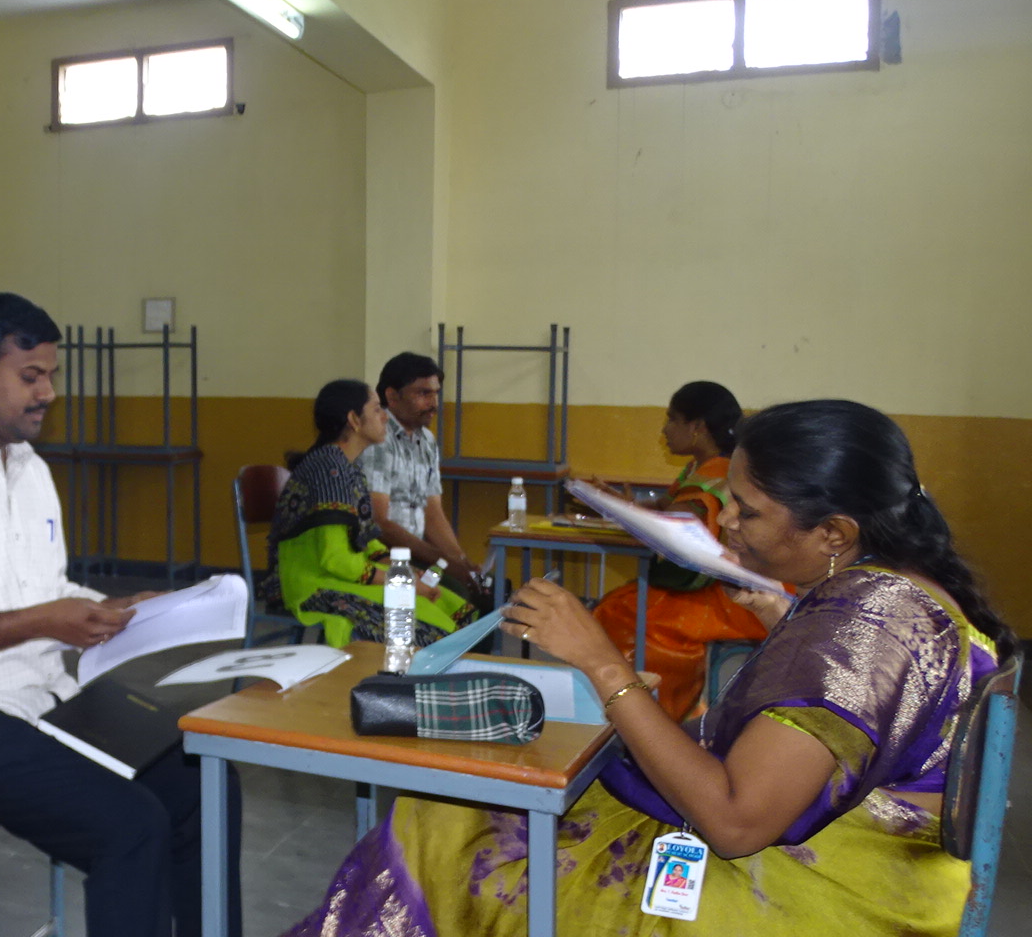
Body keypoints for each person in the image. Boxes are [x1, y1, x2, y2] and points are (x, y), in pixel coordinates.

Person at [286, 399, 1018, 936]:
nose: (726, 522)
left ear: (833, 532)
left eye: (747, 511)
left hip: (807, 902)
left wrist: (602, 664)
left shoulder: (862, 627)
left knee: (444, 822)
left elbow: (734, 823)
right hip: (872, 873)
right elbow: (869, 702)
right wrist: (788, 622)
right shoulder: (901, 593)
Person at [0, 292, 241, 937]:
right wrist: (44, 621)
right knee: (130, 826)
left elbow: (44, 587)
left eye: (51, 376)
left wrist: (106, 608)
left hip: (39, 699)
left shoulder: (28, 468)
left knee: (204, 784)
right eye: (30, 376)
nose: (49, 393)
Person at [589, 381, 769, 719]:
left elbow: (676, 524)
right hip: (706, 585)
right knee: (617, 603)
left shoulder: (718, 473)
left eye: (672, 419)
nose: (665, 429)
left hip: (727, 592)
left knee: (624, 615)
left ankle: (655, 712)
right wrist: (622, 503)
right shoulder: (698, 467)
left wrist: (626, 512)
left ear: (697, 427)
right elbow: (666, 507)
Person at [267, 380, 475, 649]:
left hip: (340, 575)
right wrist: (403, 583)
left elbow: (365, 540)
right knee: (433, 630)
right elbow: (336, 559)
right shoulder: (330, 472)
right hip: (314, 585)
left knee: (451, 604)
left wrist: (405, 572)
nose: (385, 417)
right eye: (377, 409)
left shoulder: (345, 466)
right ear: (354, 420)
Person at [358, 353, 482, 589]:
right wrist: (442, 561)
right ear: (392, 396)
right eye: (423, 394)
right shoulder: (378, 440)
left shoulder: (426, 440)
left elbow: (432, 514)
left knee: (482, 587)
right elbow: (379, 523)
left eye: (436, 393)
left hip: (418, 554)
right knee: (457, 592)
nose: (433, 403)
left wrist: (461, 561)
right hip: (382, 556)